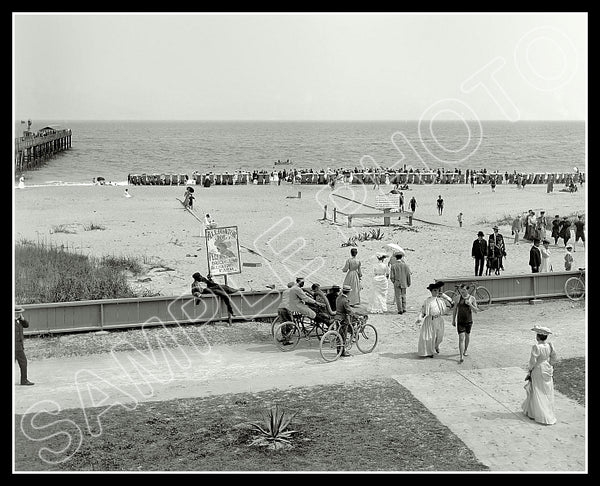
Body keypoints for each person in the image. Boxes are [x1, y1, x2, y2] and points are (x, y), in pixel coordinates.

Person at [522, 326, 557, 425]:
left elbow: (533, 361)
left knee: (537, 390)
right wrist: (550, 364)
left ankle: (537, 413)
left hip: (538, 368)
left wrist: (530, 370)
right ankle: (538, 412)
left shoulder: (536, 347)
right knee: (546, 390)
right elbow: (554, 357)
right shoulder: (550, 345)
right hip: (546, 367)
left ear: (538, 337)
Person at [416, 281, 454, 358]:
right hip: (430, 320)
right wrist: (419, 318)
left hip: (439, 319)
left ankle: (436, 346)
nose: (436, 292)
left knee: (439, 336)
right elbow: (423, 311)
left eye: (438, 290)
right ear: (431, 291)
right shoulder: (428, 301)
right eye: (434, 290)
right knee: (430, 337)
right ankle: (430, 352)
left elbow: (451, 303)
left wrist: (444, 295)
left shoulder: (440, 300)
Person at [451, 284, 479, 363]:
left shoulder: (472, 298)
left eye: (464, 290)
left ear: (467, 290)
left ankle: (465, 350)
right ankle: (461, 356)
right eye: (461, 290)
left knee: (467, 336)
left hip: (468, 321)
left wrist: (470, 304)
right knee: (461, 338)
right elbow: (455, 309)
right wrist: (453, 320)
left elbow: (476, 310)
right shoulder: (457, 298)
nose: (462, 292)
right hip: (460, 321)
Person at [335, 285, 356, 357]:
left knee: (339, 334)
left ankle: (338, 351)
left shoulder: (339, 298)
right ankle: (342, 352)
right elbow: (349, 311)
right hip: (343, 319)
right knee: (343, 335)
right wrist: (355, 315)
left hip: (337, 317)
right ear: (348, 293)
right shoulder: (345, 300)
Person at [15, 307, 34, 385]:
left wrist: (22, 319)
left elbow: (26, 325)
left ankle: (24, 380)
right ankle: (24, 380)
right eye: (17, 312)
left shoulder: (19, 320)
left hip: (19, 345)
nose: (19, 314)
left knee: (22, 362)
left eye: (20, 312)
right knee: (23, 362)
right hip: (16, 346)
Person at [389, 250, 411, 314]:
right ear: (401, 257)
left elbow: (392, 276)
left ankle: (400, 309)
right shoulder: (406, 265)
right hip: (404, 282)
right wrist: (408, 282)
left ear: (396, 258)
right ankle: (404, 308)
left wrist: (394, 282)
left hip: (397, 282)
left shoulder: (393, 266)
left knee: (398, 296)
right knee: (403, 295)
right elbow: (408, 275)